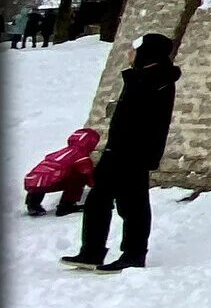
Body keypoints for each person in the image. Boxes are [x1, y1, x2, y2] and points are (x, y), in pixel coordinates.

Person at [63, 33, 180, 272]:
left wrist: (130, 150)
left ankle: (134, 254)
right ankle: (92, 251)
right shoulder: (142, 77)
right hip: (117, 150)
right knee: (98, 200)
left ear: (146, 53)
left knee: (132, 205)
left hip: (134, 153)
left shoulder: (156, 80)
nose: (129, 54)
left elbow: (145, 123)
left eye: (134, 50)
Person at [24, 129, 100, 215]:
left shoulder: (62, 152)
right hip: (47, 181)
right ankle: (67, 205)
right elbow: (87, 173)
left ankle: (33, 204)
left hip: (32, 181)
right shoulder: (81, 156)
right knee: (80, 177)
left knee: (43, 178)